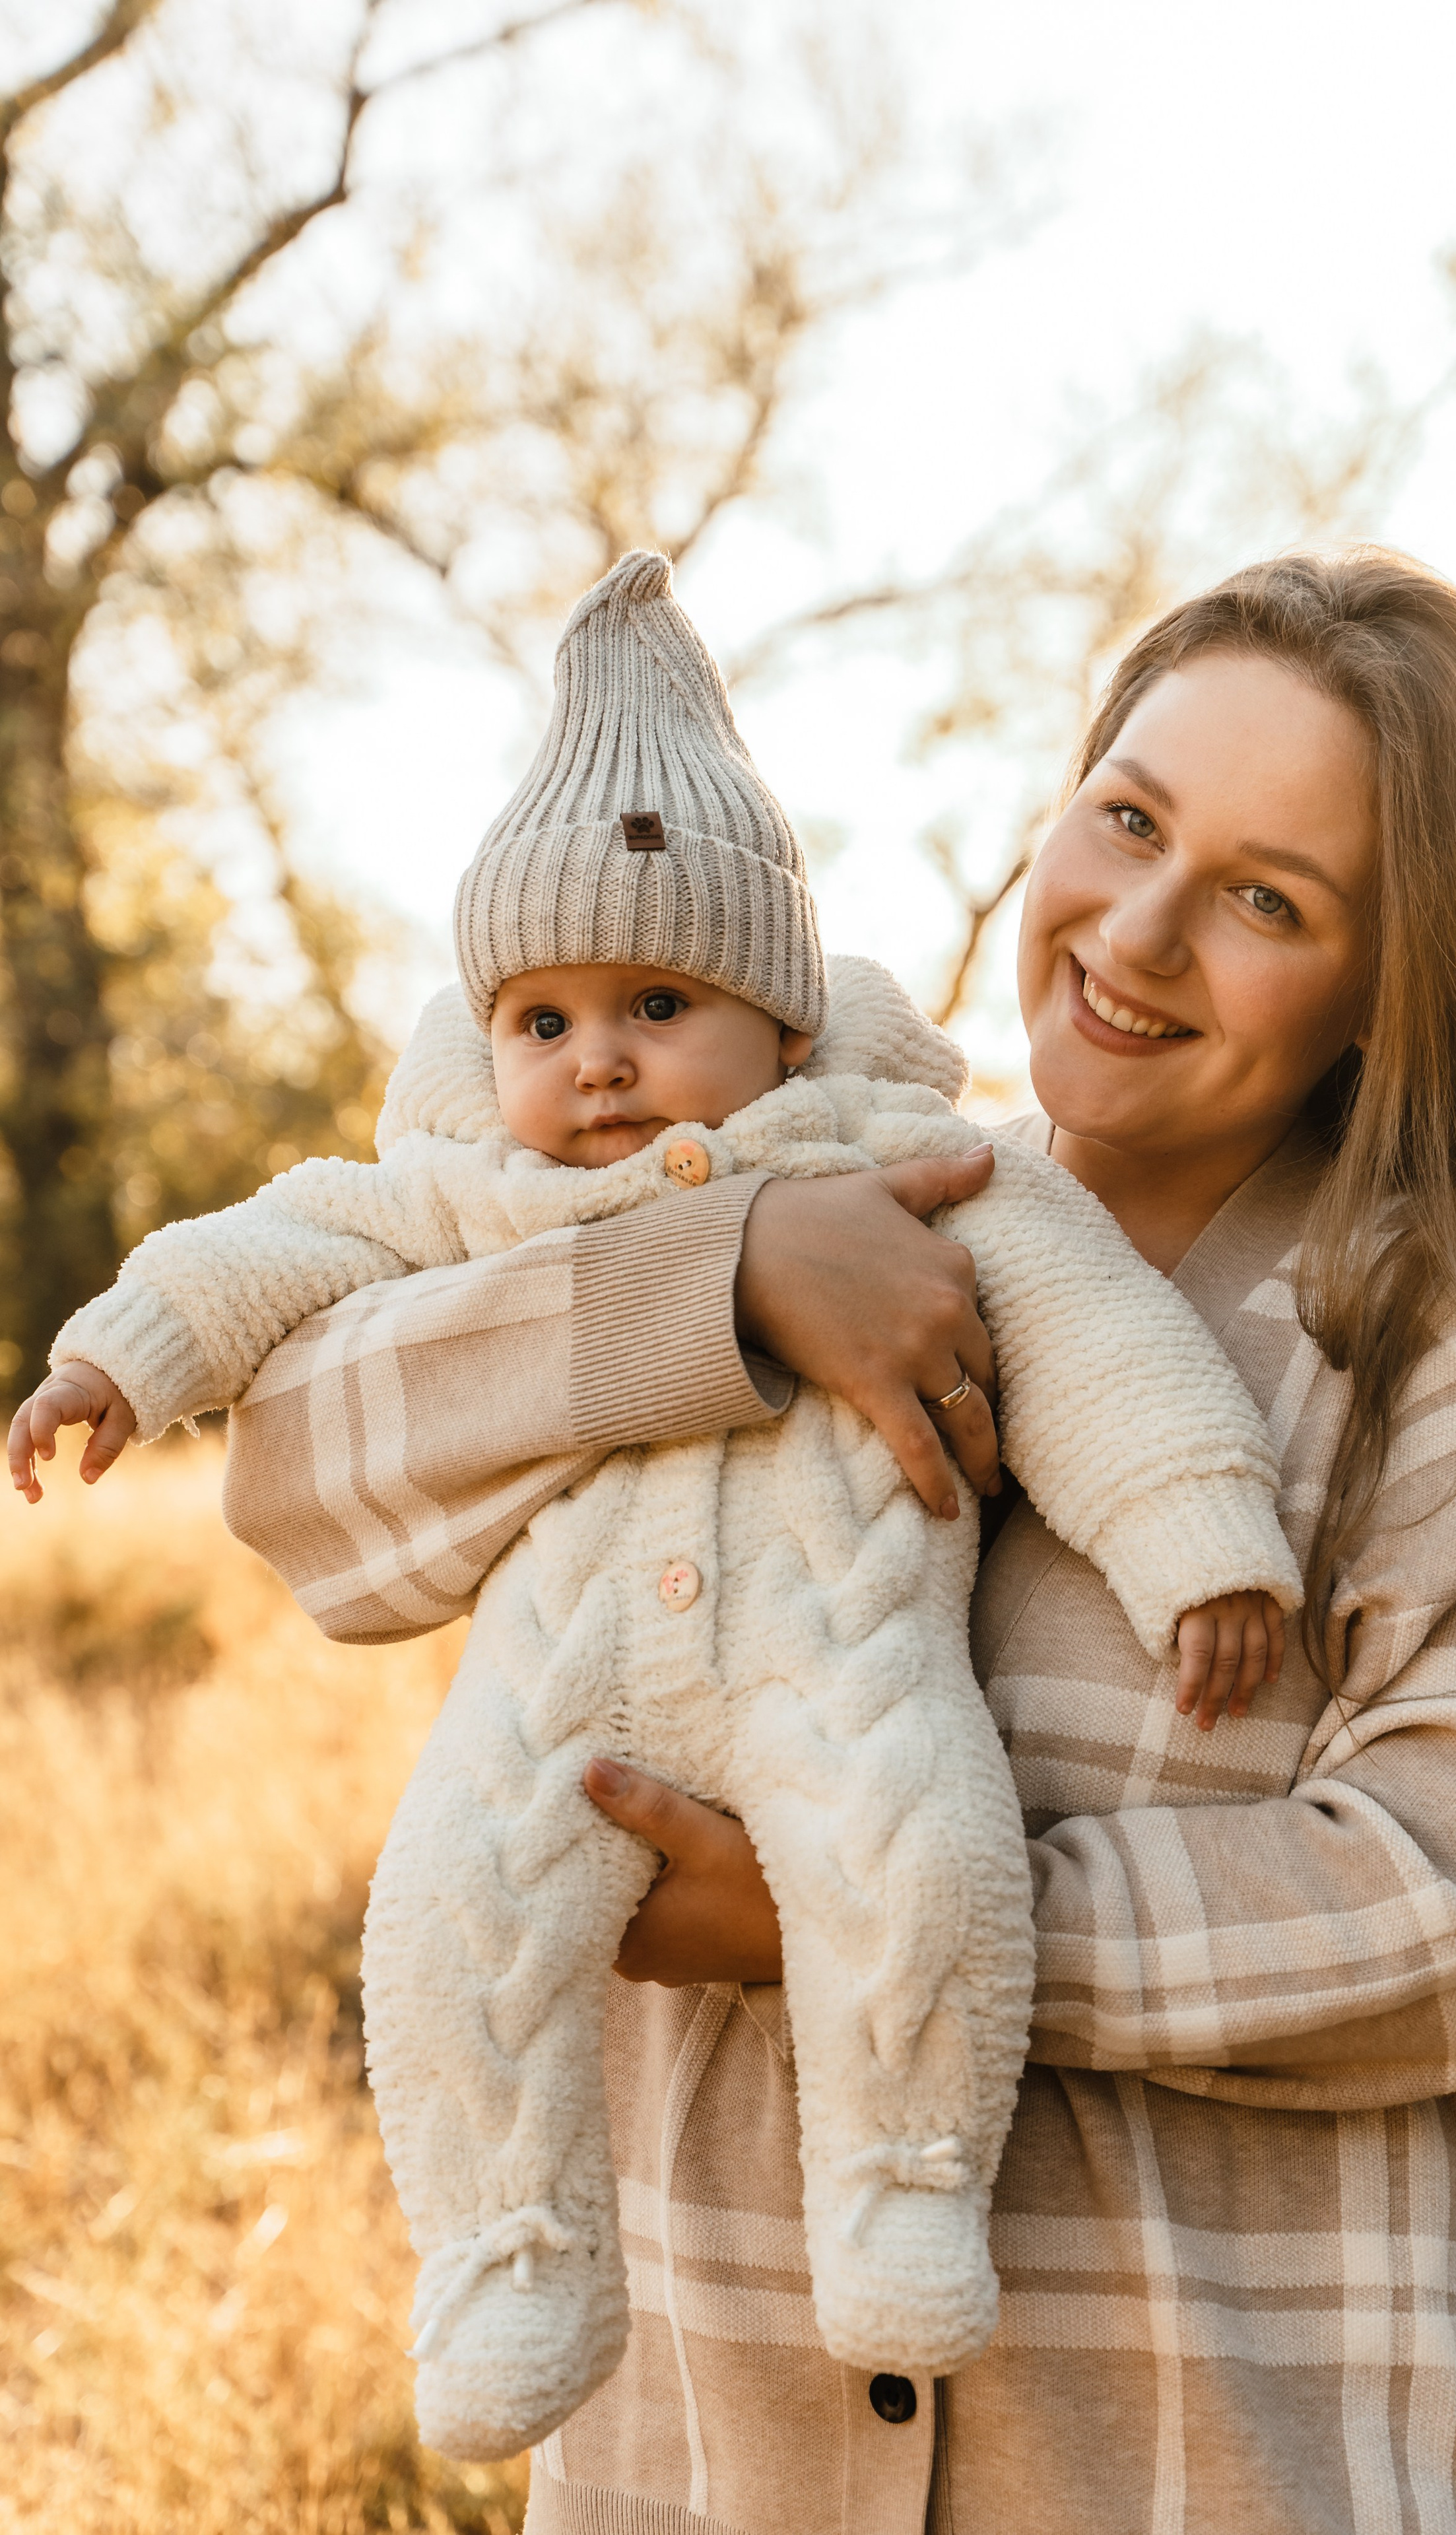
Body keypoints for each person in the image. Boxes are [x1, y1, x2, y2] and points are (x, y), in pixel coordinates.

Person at [7, 553, 1301, 2468]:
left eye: (658, 1000)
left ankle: (905, 2193)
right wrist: (119, 1357)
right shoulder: (472, 1193)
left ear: (780, 1018)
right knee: (449, 1922)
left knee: (918, 1864)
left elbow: (1096, 1332)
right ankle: (505, 2255)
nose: (596, 1059)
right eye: (539, 1020)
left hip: (841, 1654)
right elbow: (276, 1246)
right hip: (563, 1687)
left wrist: (1198, 1534)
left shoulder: (908, 1162)